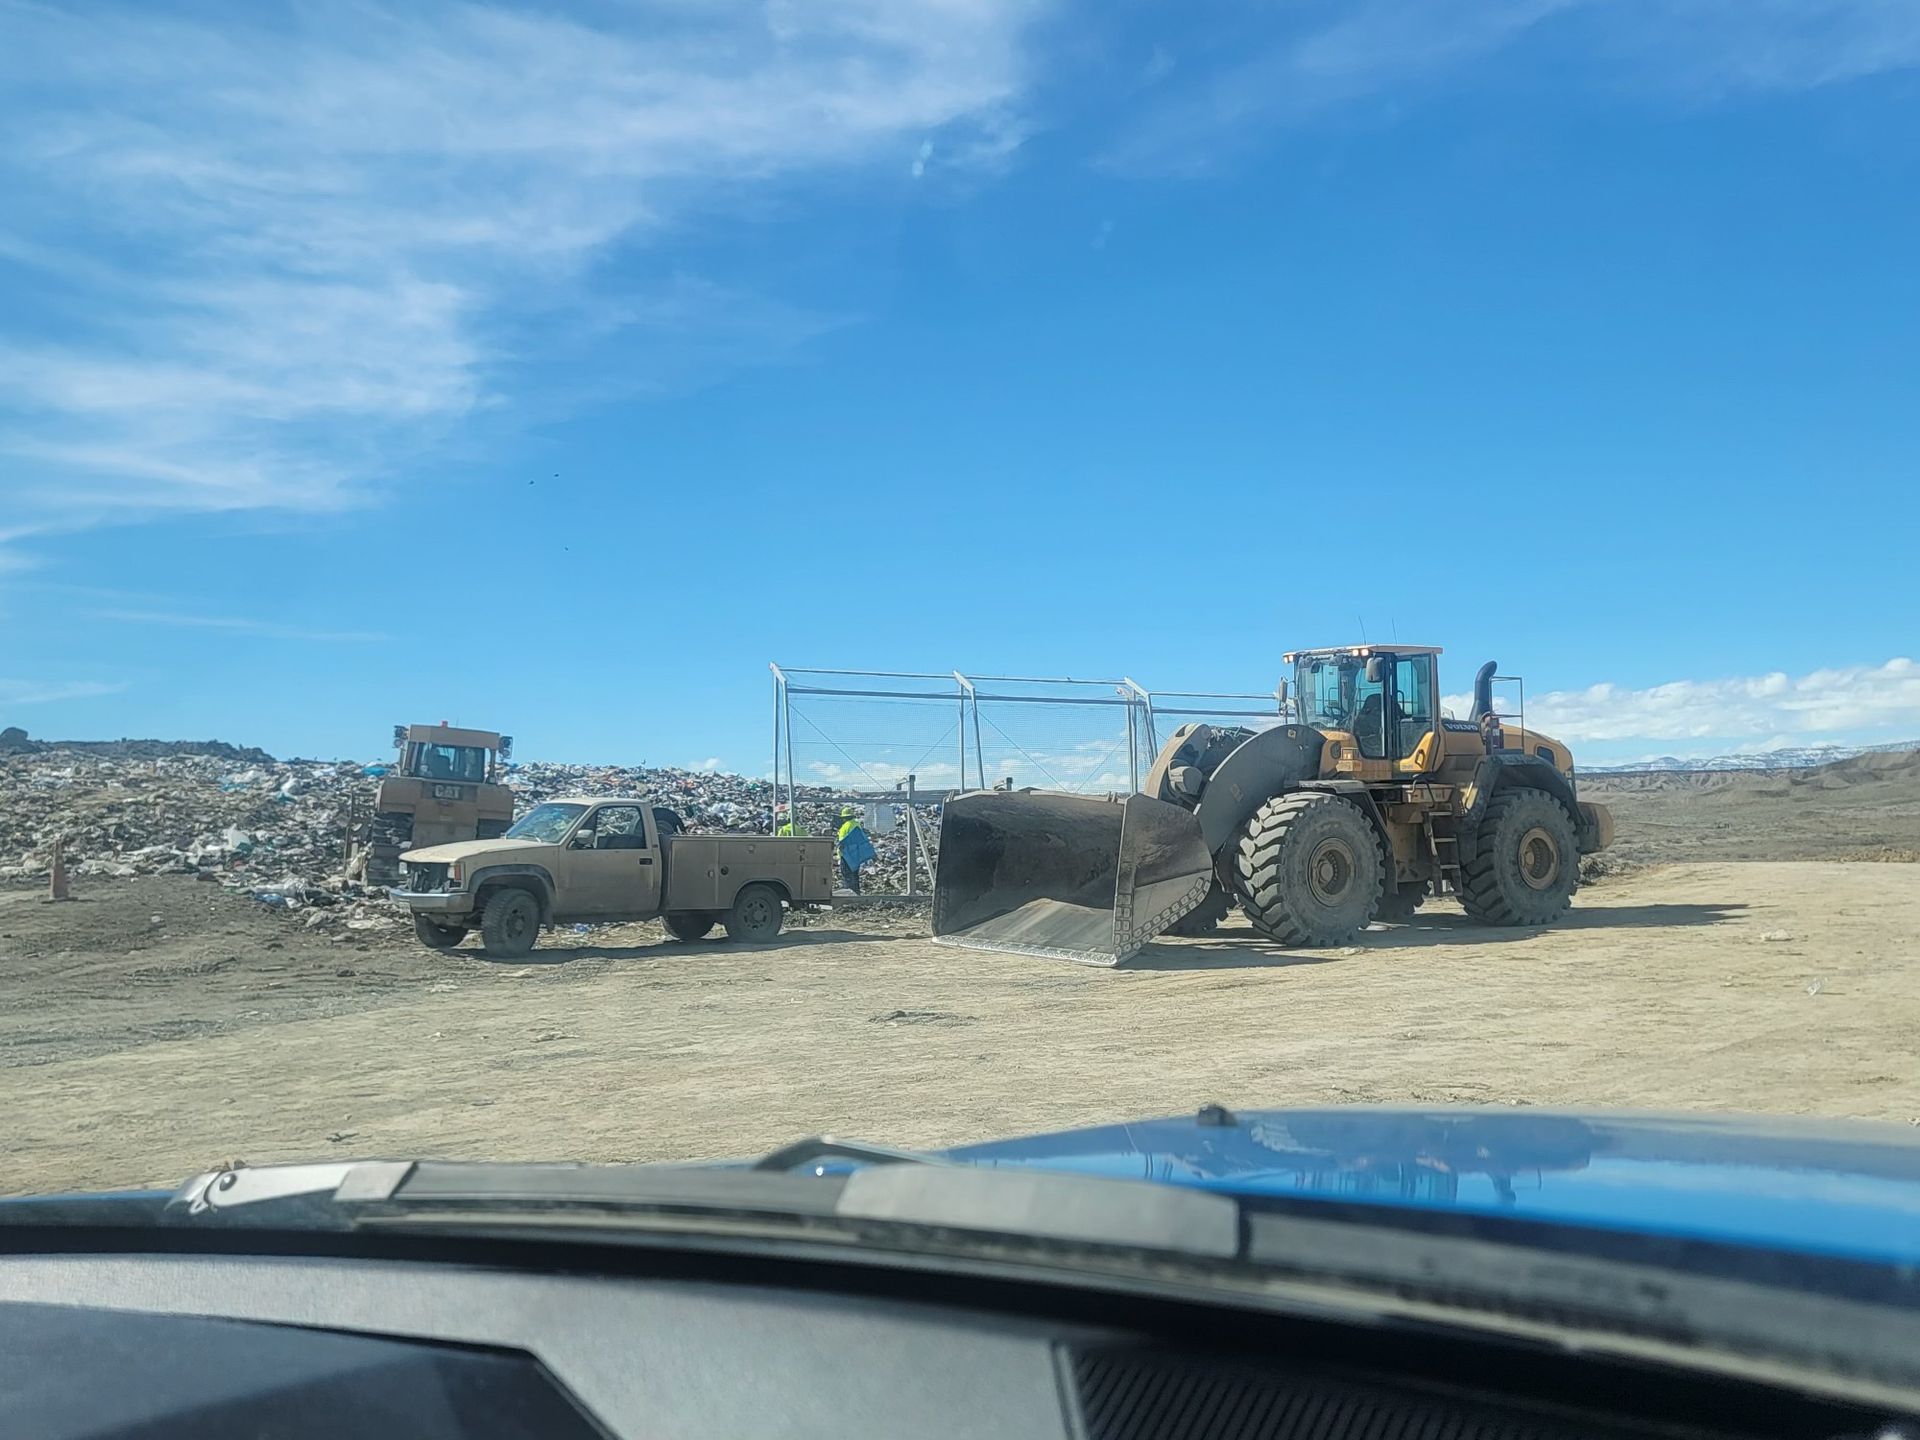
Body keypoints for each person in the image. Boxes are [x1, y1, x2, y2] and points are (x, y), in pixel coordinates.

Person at [835, 804, 874, 894]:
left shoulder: (844, 827)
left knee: (847, 877)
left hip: (846, 855)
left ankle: (849, 896)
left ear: (844, 818)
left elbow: (842, 843)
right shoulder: (857, 824)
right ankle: (856, 894)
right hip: (856, 855)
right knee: (854, 876)